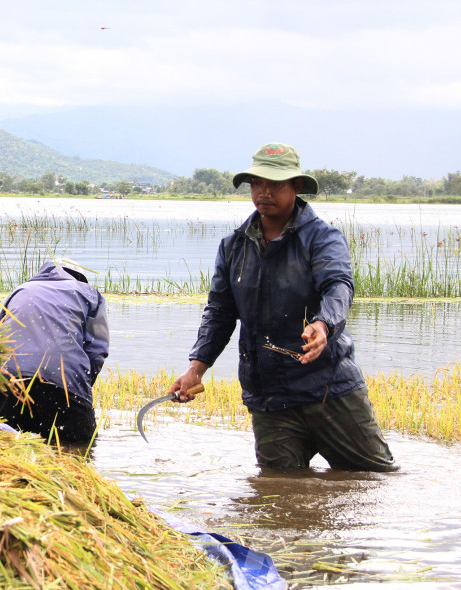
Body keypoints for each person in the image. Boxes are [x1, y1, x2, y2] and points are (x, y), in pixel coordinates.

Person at [168, 142, 398, 472]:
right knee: (278, 490)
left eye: (274, 184)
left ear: (296, 186)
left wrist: (323, 324)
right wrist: (196, 368)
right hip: (269, 397)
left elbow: (338, 286)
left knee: (374, 478)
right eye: (257, 183)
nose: (264, 192)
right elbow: (219, 313)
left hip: (329, 390)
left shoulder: (323, 238)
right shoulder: (234, 247)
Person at [0, 258, 109, 446]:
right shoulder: (88, 293)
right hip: (63, 384)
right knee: (81, 448)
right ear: (79, 278)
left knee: (2, 449)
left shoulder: (21, 290)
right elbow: (97, 351)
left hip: (5, 384)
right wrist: (80, 390)